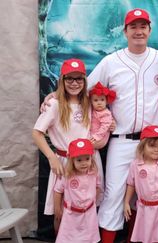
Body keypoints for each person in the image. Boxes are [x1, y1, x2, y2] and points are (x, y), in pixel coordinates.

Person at [41, 9, 158, 243]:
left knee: (152, 194)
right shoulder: (111, 61)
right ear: (125, 31)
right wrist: (54, 94)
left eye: (143, 26)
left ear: (150, 30)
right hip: (120, 141)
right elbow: (84, 86)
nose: (138, 31)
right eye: (133, 26)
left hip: (153, 142)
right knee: (113, 196)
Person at [32, 58, 104, 233]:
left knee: (87, 207)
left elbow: (106, 108)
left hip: (89, 161)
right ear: (62, 80)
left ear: (84, 81)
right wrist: (51, 158)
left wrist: (110, 125)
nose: (74, 83)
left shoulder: (89, 102)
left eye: (79, 78)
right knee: (62, 212)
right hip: (64, 163)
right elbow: (37, 133)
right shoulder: (55, 105)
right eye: (69, 78)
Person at [54, 138, 101, 243]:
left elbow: (98, 187)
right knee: (69, 238)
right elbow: (58, 191)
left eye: (87, 159)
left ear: (91, 158)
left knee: (89, 238)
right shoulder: (67, 175)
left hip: (89, 214)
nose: (84, 163)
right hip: (71, 215)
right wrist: (57, 208)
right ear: (72, 160)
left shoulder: (94, 174)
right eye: (79, 160)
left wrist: (92, 201)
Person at [89, 81, 116, 149]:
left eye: (102, 100)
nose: (99, 103)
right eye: (96, 100)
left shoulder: (106, 113)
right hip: (93, 134)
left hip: (100, 138)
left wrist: (96, 137)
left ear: (106, 101)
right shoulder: (93, 111)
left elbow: (104, 127)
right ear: (91, 102)